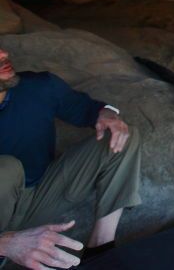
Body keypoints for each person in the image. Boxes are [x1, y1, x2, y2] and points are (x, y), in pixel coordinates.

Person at [0, 49, 142, 269]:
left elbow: (89, 109)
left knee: (121, 135)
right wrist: (5, 244)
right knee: (6, 169)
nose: (3, 54)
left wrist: (107, 113)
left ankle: (100, 249)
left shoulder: (38, 86)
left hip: (39, 196)